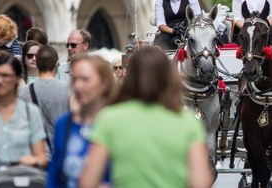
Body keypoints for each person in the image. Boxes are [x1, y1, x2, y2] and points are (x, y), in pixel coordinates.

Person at [80, 46, 214, 188]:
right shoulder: (187, 122)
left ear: (131, 77)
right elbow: (201, 182)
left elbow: (88, 182)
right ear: (168, 77)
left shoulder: (109, 118)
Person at [0, 53, 46, 188]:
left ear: (17, 79)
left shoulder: (30, 112)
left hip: (20, 180)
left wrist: (32, 160)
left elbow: (41, 157)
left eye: (6, 76)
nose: (0, 80)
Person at [47, 55, 114, 188]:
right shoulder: (64, 124)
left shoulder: (116, 125)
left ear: (104, 84)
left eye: (85, 79)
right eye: (74, 79)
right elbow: (54, 177)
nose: (77, 86)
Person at [19, 45, 70, 157]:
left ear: (37, 63)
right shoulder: (68, 90)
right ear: (56, 64)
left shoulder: (24, 92)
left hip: (35, 154)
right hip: (61, 151)